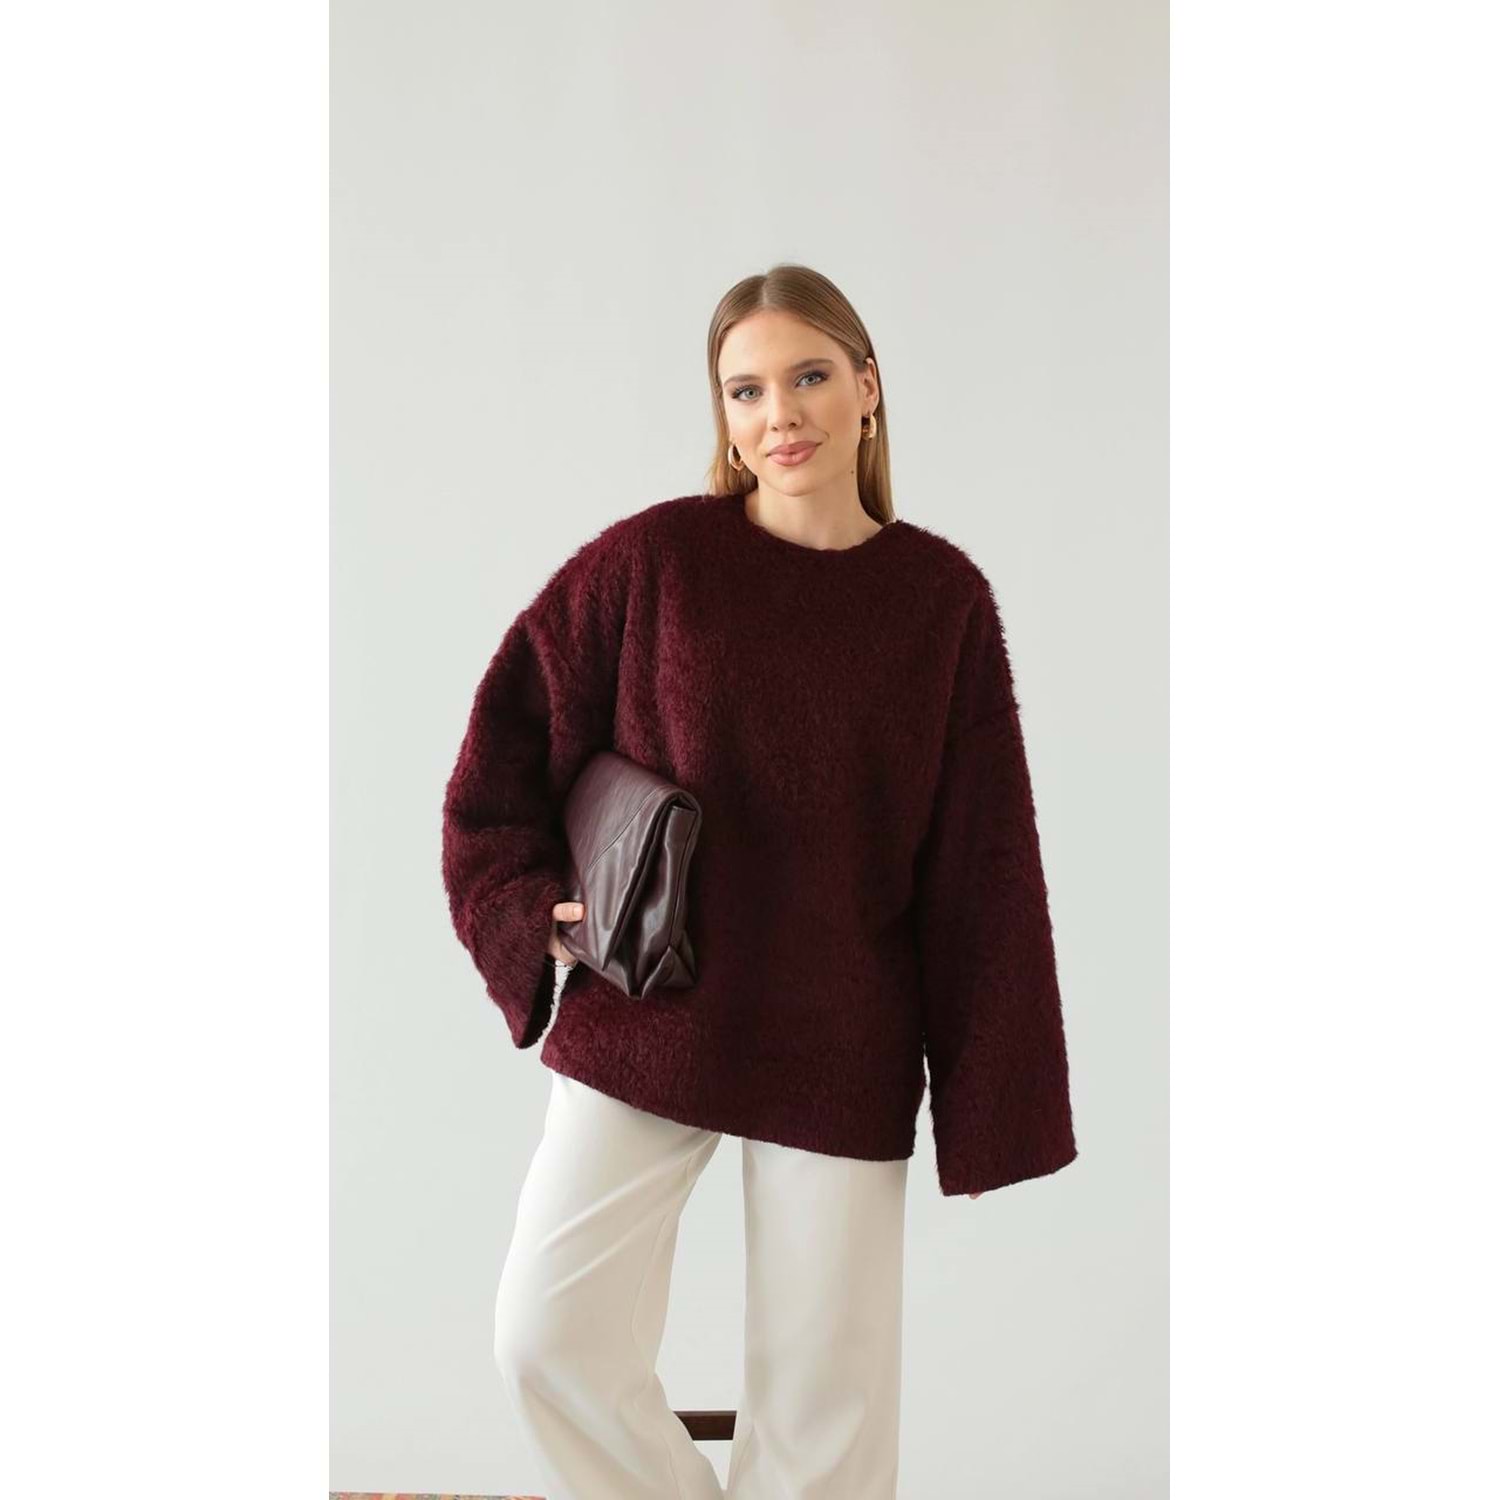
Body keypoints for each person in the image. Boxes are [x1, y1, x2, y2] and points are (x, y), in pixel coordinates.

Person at [440, 262, 1078, 1500]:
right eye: (745, 390)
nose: (778, 413)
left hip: (841, 1035)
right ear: (723, 414)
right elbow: (504, 744)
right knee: (547, 1338)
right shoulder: (656, 561)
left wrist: (993, 1097)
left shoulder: (938, 599)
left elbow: (983, 866)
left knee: (824, 1424)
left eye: (808, 376)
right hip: (654, 1009)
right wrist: (525, 910)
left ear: (868, 388)